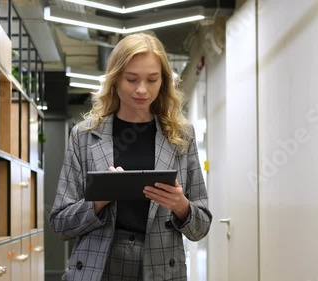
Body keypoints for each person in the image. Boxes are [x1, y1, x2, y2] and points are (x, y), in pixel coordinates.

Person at [49, 32, 212, 281]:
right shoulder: (84, 135)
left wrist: (181, 206)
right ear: (114, 79)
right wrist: (98, 201)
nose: (142, 90)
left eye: (152, 79)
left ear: (164, 82)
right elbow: (60, 224)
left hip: (161, 268)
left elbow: (201, 227)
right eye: (131, 79)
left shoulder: (181, 135)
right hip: (98, 268)